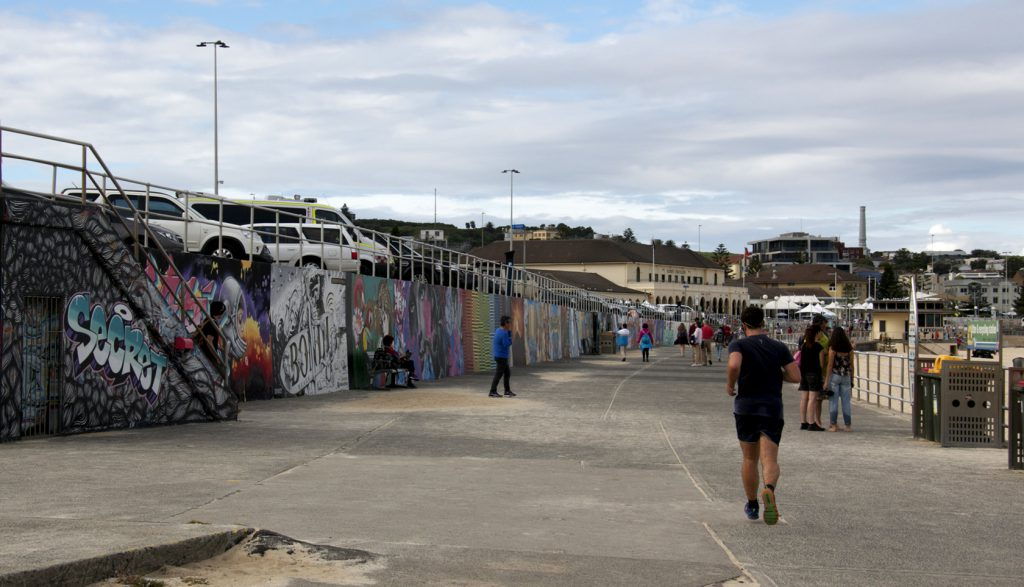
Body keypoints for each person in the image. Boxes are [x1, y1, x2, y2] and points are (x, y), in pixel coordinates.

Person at [726, 306, 800, 525]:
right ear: (763, 323)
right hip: (771, 407)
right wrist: (777, 375)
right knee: (770, 459)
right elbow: (796, 376)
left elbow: (733, 364)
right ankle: (768, 489)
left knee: (749, 458)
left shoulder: (738, 344)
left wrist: (731, 384)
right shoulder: (778, 346)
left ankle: (752, 504)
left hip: (746, 407)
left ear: (744, 324)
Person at [823, 326, 855, 432]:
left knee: (833, 401)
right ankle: (848, 425)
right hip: (846, 376)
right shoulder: (849, 348)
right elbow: (852, 365)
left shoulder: (833, 348)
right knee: (846, 402)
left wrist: (826, 381)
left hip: (835, 376)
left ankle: (833, 425)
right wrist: (852, 379)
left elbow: (830, 365)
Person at [798, 322, 827, 431]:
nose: (821, 334)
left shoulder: (804, 346)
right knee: (812, 398)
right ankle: (811, 422)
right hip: (814, 374)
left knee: (804, 398)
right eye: (820, 333)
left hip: (804, 374)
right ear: (817, 333)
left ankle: (803, 422)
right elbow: (821, 364)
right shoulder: (818, 346)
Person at [488, 316, 515, 398]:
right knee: (498, 374)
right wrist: (510, 337)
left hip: (499, 355)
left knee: (507, 373)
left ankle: (507, 391)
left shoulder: (498, 330)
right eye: (509, 322)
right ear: (505, 323)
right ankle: (492, 391)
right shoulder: (503, 333)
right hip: (501, 356)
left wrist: (508, 334)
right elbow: (506, 344)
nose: (510, 324)